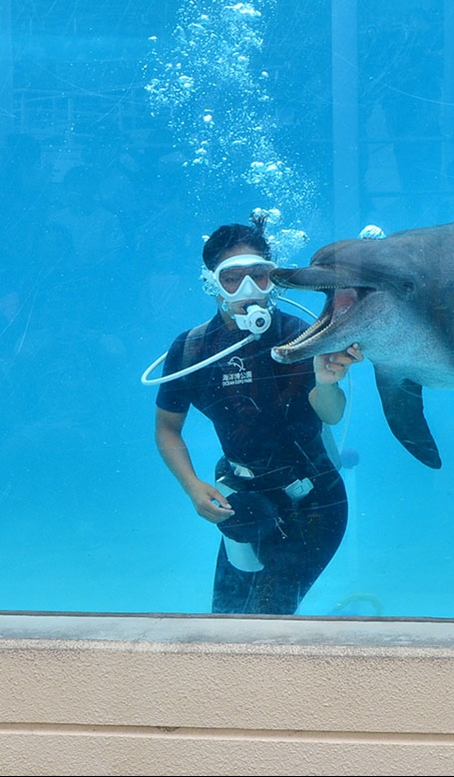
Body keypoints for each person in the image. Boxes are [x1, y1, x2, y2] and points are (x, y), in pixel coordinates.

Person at [153, 218, 363, 614]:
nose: (248, 291)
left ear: (274, 279)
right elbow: (167, 428)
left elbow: (331, 415)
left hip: (313, 503)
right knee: (226, 621)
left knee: (264, 623)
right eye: (232, 278)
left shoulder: (301, 334)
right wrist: (193, 486)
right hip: (243, 501)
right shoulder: (193, 350)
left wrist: (327, 381)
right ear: (211, 282)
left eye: (260, 276)